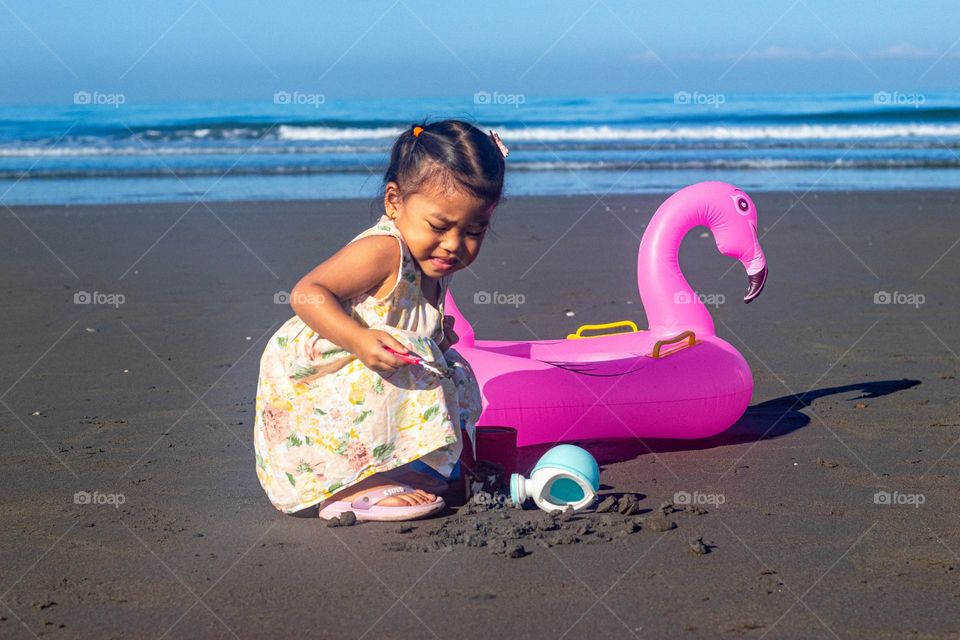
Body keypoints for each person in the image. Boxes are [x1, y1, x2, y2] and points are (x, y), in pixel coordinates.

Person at [253, 120, 508, 521]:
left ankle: (404, 468)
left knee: (450, 367)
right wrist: (357, 339)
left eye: (475, 230)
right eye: (440, 226)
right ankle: (355, 486)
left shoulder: (432, 260)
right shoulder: (385, 249)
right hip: (322, 372)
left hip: (365, 362)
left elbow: (402, 314)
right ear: (394, 201)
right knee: (403, 355)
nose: (454, 244)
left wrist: (434, 336)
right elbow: (307, 291)